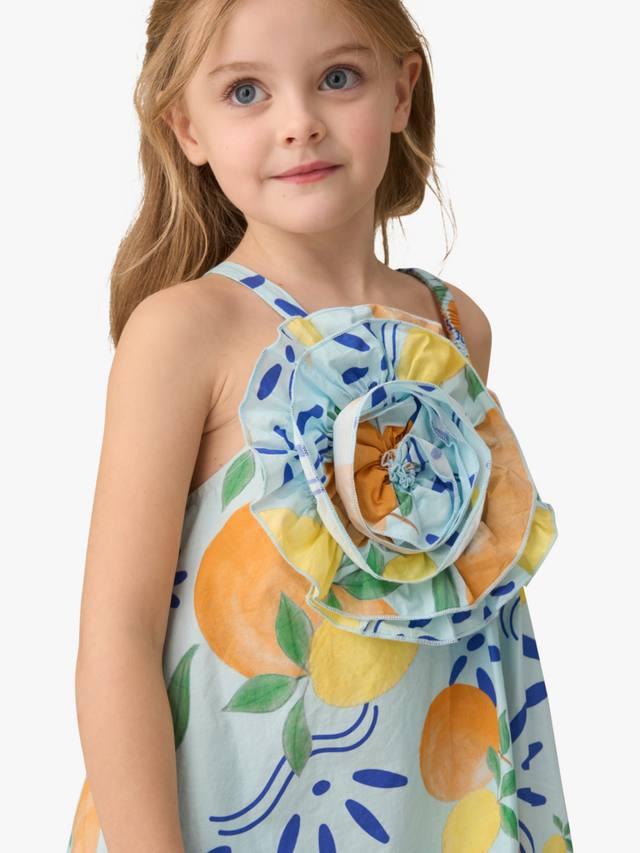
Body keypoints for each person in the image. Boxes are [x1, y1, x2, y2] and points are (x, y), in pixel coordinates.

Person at [67, 1, 571, 851]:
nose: (299, 122)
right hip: (228, 817)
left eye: (338, 78)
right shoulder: (185, 333)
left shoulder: (455, 330)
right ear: (186, 126)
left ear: (402, 91)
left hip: (429, 810)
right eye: (246, 92)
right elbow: (118, 635)